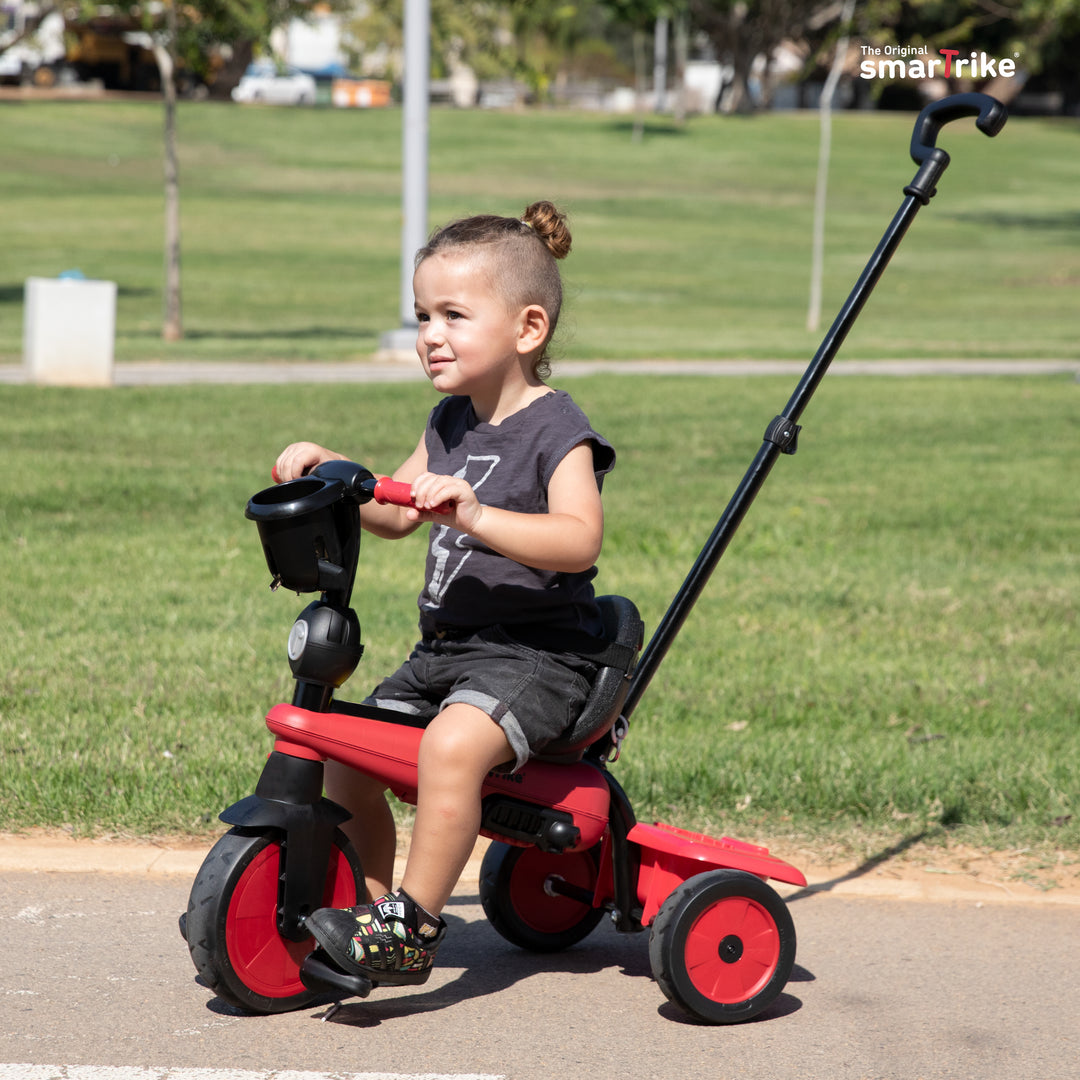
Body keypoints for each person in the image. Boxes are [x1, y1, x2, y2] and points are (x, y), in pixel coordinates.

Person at [272, 200, 615, 986]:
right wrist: (337, 471)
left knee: (450, 748)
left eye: (453, 314)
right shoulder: (451, 419)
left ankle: (415, 928)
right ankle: (371, 909)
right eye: (423, 314)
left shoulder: (557, 429)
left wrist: (478, 512)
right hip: (446, 656)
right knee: (347, 749)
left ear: (528, 329)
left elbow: (578, 537)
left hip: (535, 658)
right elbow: (393, 514)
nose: (430, 333)